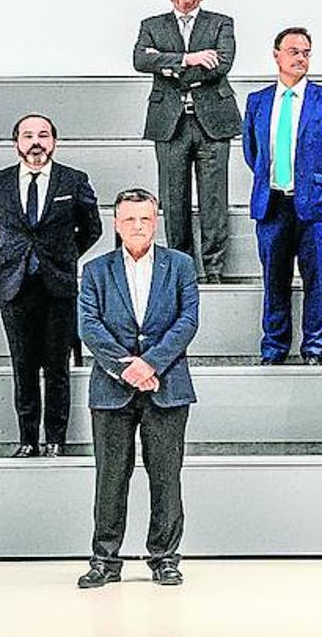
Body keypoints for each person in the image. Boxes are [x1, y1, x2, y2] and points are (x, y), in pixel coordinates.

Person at [76, 188, 200, 589]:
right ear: (116, 223)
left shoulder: (180, 265)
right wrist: (125, 368)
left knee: (167, 477)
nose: (137, 226)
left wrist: (151, 363)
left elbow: (187, 322)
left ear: (156, 220)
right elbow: (89, 326)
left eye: (145, 219)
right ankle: (105, 559)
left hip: (167, 385)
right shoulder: (95, 270)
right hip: (112, 390)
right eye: (129, 219)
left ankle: (164, 558)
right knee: (110, 476)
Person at [0, 113, 101, 457]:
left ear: (54, 142)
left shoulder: (73, 180)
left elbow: (92, 229)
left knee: (57, 367)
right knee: (24, 366)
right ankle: (28, 440)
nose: (36, 142)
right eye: (28, 135)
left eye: (43, 135)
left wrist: (63, 256)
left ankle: (55, 440)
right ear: (16, 142)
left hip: (58, 286)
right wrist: (15, 256)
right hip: (15, 288)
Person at [242, 27, 322, 365]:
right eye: (293, 51)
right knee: (273, 279)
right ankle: (274, 346)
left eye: (306, 52)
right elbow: (253, 152)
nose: (301, 57)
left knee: (316, 278)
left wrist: (319, 184)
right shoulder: (257, 101)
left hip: (315, 206)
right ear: (276, 55)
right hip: (272, 203)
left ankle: (315, 347)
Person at [133, 0, 241, 283]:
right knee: (173, 199)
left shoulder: (222, 23)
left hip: (213, 122)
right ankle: (182, 269)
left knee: (213, 199)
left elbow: (221, 65)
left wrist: (165, 66)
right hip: (170, 123)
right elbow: (140, 60)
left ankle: (214, 270)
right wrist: (188, 59)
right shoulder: (151, 24)